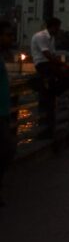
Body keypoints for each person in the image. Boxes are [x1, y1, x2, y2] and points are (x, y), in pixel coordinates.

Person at [30, 18, 69, 136]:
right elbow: (47, 55)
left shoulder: (51, 38)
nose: (58, 30)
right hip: (41, 64)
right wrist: (63, 65)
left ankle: (53, 91)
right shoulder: (41, 36)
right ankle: (54, 92)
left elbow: (53, 54)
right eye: (57, 27)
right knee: (67, 76)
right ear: (53, 27)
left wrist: (61, 66)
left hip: (49, 64)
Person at [0, 21, 17, 207]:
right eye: (7, 35)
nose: (11, 38)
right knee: (7, 148)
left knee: (7, 149)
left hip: (3, 112)